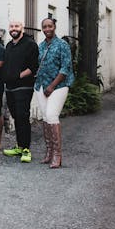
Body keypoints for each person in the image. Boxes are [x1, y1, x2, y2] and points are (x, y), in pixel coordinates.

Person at [35, 18, 74, 169]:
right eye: (44, 26)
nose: (47, 29)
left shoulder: (62, 45)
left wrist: (52, 86)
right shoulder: (41, 46)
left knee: (52, 115)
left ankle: (58, 155)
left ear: (54, 27)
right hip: (41, 85)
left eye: (49, 26)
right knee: (45, 117)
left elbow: (65, 68)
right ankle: (49, 152)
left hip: (58, 86)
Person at [1, 20, 39, 163]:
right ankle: (19, 146)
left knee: (23, 116)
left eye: (16, 26)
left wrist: (18, 76)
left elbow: (33, 67)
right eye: (11, 26)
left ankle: (26, 150)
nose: (14, 29)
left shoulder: (30, 44)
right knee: (16, 117)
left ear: (22, 28)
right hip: (10, 88)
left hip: (24, 87)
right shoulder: (9, 45)